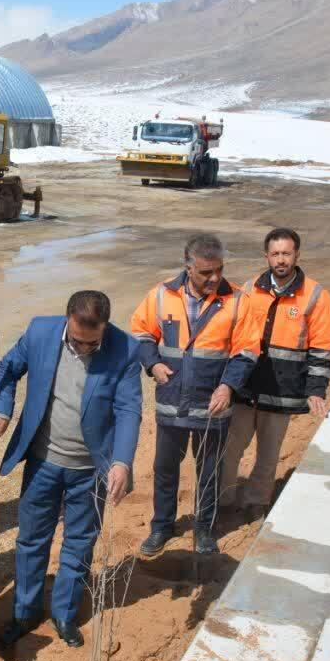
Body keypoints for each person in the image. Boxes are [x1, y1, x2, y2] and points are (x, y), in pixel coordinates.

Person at [0, 291, 141, 651]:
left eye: (92, 343)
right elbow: (6, 369)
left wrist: (121, 461)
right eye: (77, 341)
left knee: (80, 542)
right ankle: (24, 613)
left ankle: (65, 614)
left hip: (90, 468)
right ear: (67, 318)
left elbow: (130, 409)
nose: (84, 349)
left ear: (105, 327)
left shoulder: (126, 349)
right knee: (31, 540)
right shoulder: (41, 331)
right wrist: (2, 412)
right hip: (43, 462)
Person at [129, 233, 261, 559]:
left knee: (209, 471)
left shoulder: (237, 300)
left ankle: (204, 526)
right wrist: (153, 364)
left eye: (219, 270)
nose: (215, 278)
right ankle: (162, 525)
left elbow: (246, 351)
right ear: (188, 267)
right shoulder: (161, 295)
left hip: (212, 406)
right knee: (165, 468)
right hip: (171, 401)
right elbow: (141, 332)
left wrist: (228, 387)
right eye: (206, 273)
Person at [219, 228, 330, 520]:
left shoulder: (316, 295)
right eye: (275, 254)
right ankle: (221, 502)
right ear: (266, 256)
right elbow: (233, 334)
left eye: (286, 253)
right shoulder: (250, 288)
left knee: (269, 454)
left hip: (284, 389)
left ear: (297, 254)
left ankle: (255, 502)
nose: (281, 260)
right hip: (246, 388)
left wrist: (315, 390)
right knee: (230, 449)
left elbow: (321, 348)